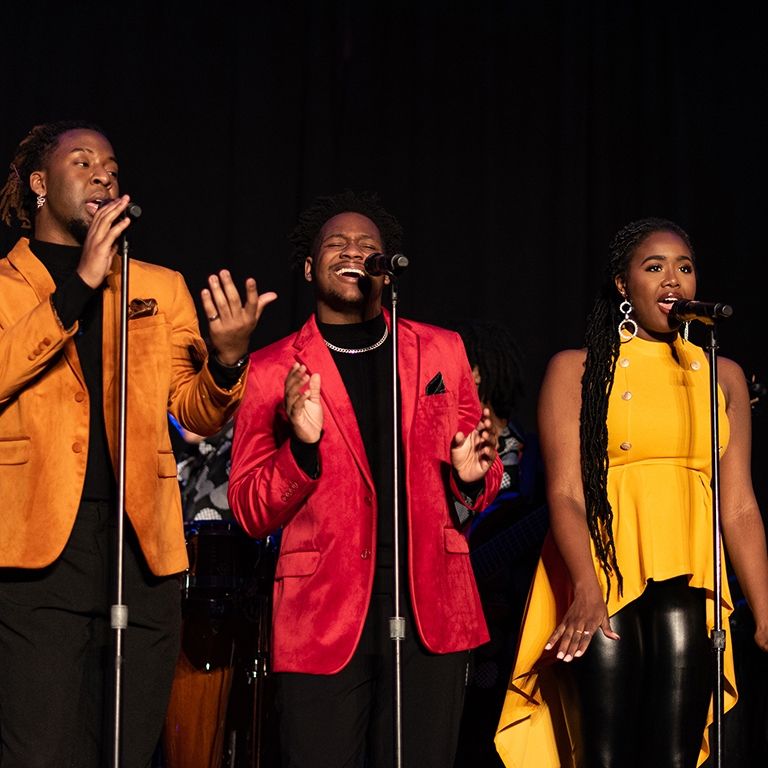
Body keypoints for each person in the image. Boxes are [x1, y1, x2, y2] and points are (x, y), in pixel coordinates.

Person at [0, 120, 276, 768]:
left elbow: (196, 412)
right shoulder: (7, 284)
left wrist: (229, 365)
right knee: (40, 751)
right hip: (38, 552)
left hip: (141, 550)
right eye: (84, 161)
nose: (104, 174)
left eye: (113, 167)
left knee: (124, 750)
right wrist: (80, 284)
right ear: (40, 183)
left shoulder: (159, 286)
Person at [227, 190, 503, 768]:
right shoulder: (273, 367)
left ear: (388, 264)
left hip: (432, 605)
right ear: (308, 264)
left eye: (367, 245)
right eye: (337, 244)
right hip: (320, 614)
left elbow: (480, 473)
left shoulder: (441, 352)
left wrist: (472, 480)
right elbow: (250, 509)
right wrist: (300, 452)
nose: (353, 251)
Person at [495, 218, 768, 768]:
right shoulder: (577, 369)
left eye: (685, 268)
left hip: (689, 580)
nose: (674, 279)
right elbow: (566, 494)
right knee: (604, 756)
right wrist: (585, 586)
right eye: (655, 267)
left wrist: (765, 611)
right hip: (598, 576)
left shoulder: (723, 375)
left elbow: (738, 505)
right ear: (623, 284)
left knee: (674, 754)